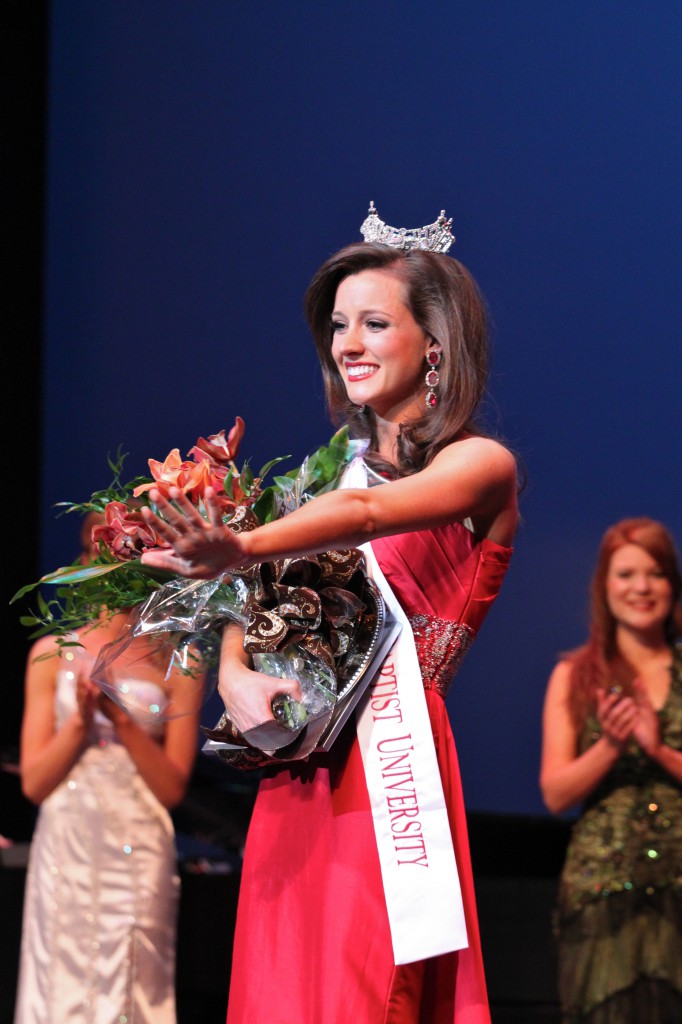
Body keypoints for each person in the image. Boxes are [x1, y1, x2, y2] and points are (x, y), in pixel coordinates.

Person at [140, 204, 519, 1023]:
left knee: (363, 992)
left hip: (389, 780)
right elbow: (260, 605)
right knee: (279, 996)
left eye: (375, 322)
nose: (348, 342)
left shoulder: (481, 464)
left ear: (436, 345)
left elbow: (376, 518)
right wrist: (235, 678)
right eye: (339, 324)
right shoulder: (318, 482)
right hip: (297, 777)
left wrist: (246, 543)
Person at [13, 514, 201, 1024]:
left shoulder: (180, 662)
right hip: (67, 844)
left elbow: (171, 789)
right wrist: (79, 724)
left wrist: (120, 718)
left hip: (139, 843)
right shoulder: (51, 654)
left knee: (135, 978)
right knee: (61, 977)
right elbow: (34, 782)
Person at [540, 517, 682, 1023]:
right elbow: (556, 794)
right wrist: (612, 746)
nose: (641, 587)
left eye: (656, 573)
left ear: (672, 584)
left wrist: (659, 749)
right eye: (626, 574)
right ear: (605, 585)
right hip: (602, 890)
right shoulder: (574, 674)